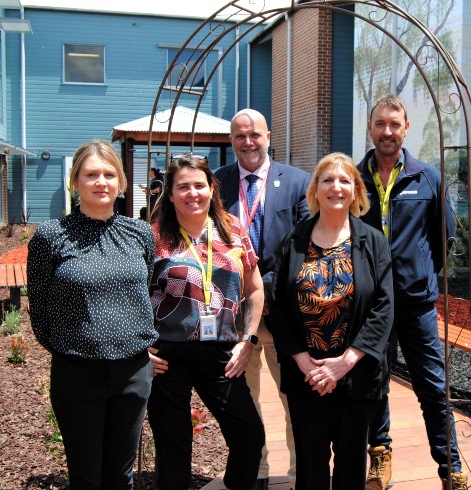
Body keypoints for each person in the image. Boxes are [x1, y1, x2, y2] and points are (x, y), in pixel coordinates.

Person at [27, 139, 156, 489]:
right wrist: (69, 348)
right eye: (91, 174)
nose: (101, 182)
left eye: (109, 174)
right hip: (78, 373)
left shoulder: (141, 233)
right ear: (75, 181)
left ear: (122, 183)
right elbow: (38, 305)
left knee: (121, 475)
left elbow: (145, 290)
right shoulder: (51, 236)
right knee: (86, 476)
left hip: (133, 372)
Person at [356, 94, 467, 490]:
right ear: (370, 129)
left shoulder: (427, 177)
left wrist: (418, 274)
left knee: (433, 387)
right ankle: (380, 457)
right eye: (380, 124)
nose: (387, 131)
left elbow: (445, 237)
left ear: (405, 129)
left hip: (416, 303)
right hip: (369, 306)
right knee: (374, 384)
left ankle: (450, 466)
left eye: (394, 124)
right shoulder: (355, 179)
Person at [270, 152, 393, 490]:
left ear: (355, 190)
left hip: (356, 373)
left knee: (352, 465)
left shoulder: (374, 242)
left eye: (344, 180)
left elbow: (384, 308)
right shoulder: (293, 241)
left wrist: (344, 363)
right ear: (315, 189)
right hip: (306, 374)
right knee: (310, 464)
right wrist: (300, 359)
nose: (335, 187)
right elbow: (277, 306)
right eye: (327, 180)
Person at [147, 154, 265, 490]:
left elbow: (255, 289)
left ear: (212, 189)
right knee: (173, 447)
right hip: (167, 356)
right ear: (169, 193)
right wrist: (141, 348)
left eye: (199, 185)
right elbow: (133, 296)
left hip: (222, 353)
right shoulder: (153, 236)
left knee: (249, 436)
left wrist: (249, 339)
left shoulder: (233, 229)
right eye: (182, 186)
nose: (192, 193)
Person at [214, 108, 310, 490]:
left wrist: (265, 289)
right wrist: (247, 292)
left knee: (296, 401)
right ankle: (255, 472)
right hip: (235, 318)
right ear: (232, 141)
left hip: (285, 316)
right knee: (244, 404)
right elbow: (211, 246)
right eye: (240, 136)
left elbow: (305, 246)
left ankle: (303, 474)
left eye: (255, 134)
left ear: (268, 135)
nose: (248, 142)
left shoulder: (297, 182)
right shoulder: (216, 183)